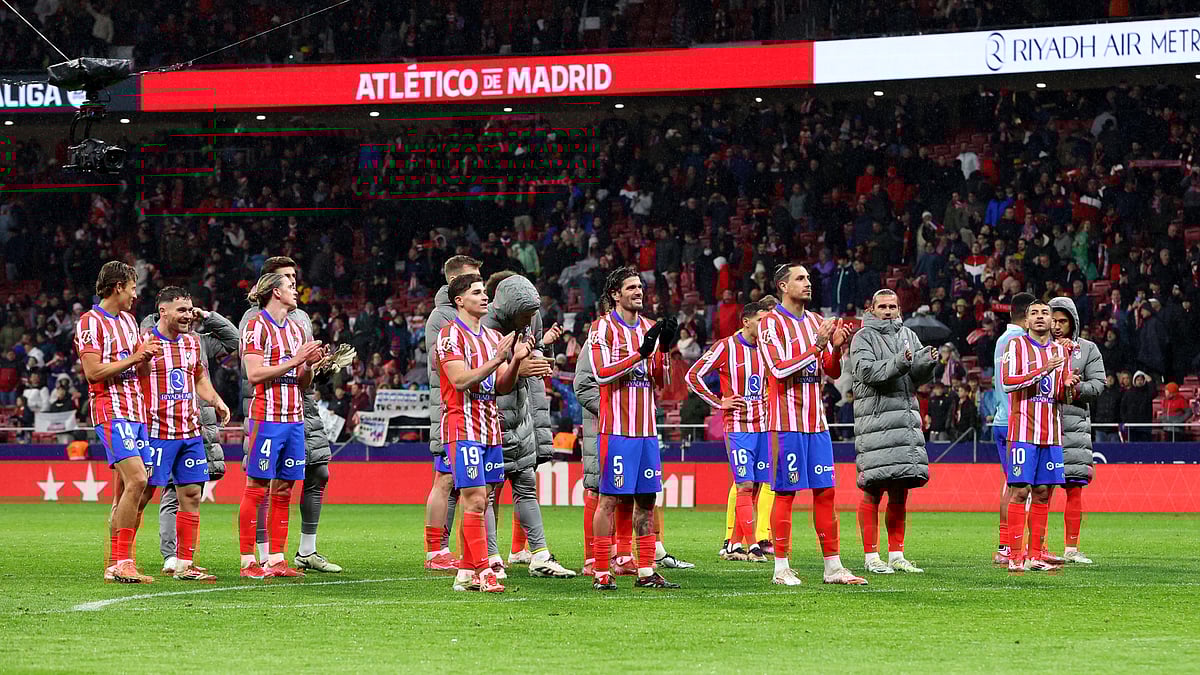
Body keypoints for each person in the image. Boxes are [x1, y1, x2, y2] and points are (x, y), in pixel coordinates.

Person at [758, 263, 865, 586]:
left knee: (826, 492)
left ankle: (832, 567)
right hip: (785, 424)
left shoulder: (818, 321)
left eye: (808, 278)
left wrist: (835, 347)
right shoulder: (770, 324)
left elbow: (830, 372)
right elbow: (777, 370)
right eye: (800, 279)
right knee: (786, 493)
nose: (808, 283)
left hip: (816, 423)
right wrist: (818, 345)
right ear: (782, 286)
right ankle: (781, 567)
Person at [240, 257, 342, 574]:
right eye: (290, 286)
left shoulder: (298, 329)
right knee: (257, 487)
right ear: (274, 292)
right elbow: (255, 374)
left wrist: (310, 363)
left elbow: (302, 382)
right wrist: (296, 358)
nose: (295, 290)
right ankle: (248, 561)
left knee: (285, 488)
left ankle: (277, 558)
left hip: (294, 419)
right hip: (267, 417)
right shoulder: (255, 326)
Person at [436, 273, 532, 593]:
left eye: (484, 292)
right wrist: (496, 360)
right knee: (475, 499)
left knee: (485, 498)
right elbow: (460, 380)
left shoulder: (493, 336)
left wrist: (515, 362)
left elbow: (503, 385)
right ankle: (482, 570)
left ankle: (465, 570)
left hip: (491, 428)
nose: (484, 297)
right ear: (459, 300)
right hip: (462, 427)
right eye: (476, 292)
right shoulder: (450, 336)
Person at [587, 265, 680, 590]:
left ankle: (646, 571)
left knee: (647, 501)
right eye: (631, 288)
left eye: (640, 287)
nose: (638, 292)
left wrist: (663, 350)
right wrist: (639, 354)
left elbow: (662, 382)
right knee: (609, 501)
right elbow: (600, 373)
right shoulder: (602, 328)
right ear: (615, 294)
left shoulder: (651, 327)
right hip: (617, 432)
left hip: (646, 433)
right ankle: (601, 571)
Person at [481, 271, 575, 578]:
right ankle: (491, 557)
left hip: (520, 419)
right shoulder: (482, 331)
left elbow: (528, 361)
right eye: (524, 315)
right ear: (507, 308)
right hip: (492, 421)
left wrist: (537, 357)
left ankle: (540, 555)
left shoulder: (527, 324)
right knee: (488, 493)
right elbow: (479, 379)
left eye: (532, 316)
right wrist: (519, 368)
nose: (529, 321)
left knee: (526, 486)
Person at [135, 287, 231, 581]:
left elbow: (199, 376)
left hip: (190, 432)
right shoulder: (146, 342)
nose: (188, 316)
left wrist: (215, 400)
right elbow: (135, 379)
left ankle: (184, 564)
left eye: (190, 310)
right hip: (156, 432)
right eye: (181, 310)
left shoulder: (191, 344)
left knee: (191, 494)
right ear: (162, 311)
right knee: (139, 496)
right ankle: (120, 558)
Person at [77, 261, 163, 583]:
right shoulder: (89, 322)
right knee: (138, 480)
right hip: (110, 410)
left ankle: (116, 564)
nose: (135, 294)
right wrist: (135, 357)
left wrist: (146, 358)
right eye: (132, 287)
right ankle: (123, 561)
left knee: (136, 491)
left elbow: (139, 370)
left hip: (136, 411)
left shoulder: (129, 322)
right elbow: (93, 372)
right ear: (118, 287)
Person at [849, 288, 937, 574]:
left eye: (893, 306)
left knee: (900, 492)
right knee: (873, 490)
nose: (888, 311)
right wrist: (902, 361)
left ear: (900, 309)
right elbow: (867, 373)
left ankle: (896, 555)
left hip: (905, 424)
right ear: (871, 309)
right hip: (875, 424)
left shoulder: (909, 335)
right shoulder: (862, 337)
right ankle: (871, 556)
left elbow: (916, 378)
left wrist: (926, 363)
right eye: (883, 306)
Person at [423, 256, 498, 572]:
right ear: (458, 285)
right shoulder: (443, 320)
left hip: (481, 414)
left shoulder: (483, 327)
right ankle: (436, 551)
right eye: (475, 282)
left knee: (470, 487)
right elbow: (447, 370)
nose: (483, 292)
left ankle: (475, 558)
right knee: (445, 479)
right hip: (453, 408)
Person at [685, 301, 772, 563]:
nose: (766, 326)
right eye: (761, 320)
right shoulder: (726, 346)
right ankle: (754, 544)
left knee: (757, 485)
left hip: (765, 427)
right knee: (744, 484)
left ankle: (735, 544)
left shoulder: (770, 349)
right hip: (738, 426)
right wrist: (718, 401)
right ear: (746, 321)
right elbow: (693, 375)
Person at [1001, 300, 1079, 572]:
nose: (1039, 317)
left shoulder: (1061, 350)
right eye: (1034, 313)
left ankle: (1035, 556)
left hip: (1052, 432)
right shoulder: (1016, 346)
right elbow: (1008, 382)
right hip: (1023, 430)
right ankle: (1014, 556)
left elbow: (1061, 394)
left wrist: (1068, 386)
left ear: (1051, 320)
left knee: (1044, 492)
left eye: (1045, 313)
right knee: (1020, 490)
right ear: (1026, 321)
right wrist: (1043, 369)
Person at [1049, 297, 1106, 565]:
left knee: (1074, 488)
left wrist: (1075, 388)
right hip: (1045, 425)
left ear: (1073, 322)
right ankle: (1039, 548)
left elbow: (1098, 385)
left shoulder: (1088, 349)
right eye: (1054, 320)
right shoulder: (1040, 349)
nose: (1058, 326)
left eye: (1063, 321)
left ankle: (1071, 549)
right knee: (1041, 489)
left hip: (1075, 428)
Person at [990, 291, 1035, 565]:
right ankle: (1009, 547)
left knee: (1010, 484)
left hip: (1001, 419)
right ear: (1028, 314)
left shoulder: (1001, 341)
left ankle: (1005, 543)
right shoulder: (1019, 341)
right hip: (1016, 421)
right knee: (1021, 486)